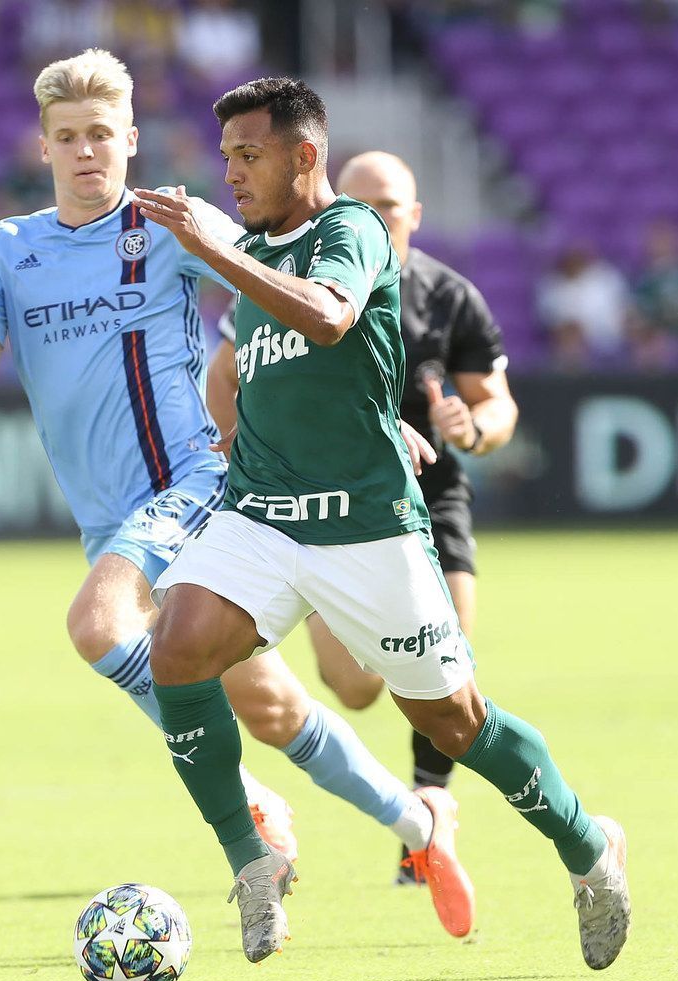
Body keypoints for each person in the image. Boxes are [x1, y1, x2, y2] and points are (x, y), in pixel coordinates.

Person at [0, 48, 473, 925]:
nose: (85, 151)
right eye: (67, 137)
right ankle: (419, 822)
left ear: (131, 139)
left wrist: (375, 414)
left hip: (189, 484)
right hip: (109, 518)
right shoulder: (7, 250)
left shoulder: (174, 226)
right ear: (43, 148)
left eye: (101, 133)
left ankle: (252, 811)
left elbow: (289, 303)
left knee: (97, 627)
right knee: (271, 706)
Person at [134, 76, 630, 969]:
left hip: (366, 526)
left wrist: (216, 246)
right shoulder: (250, 245)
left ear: (305, 155)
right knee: (176, 646)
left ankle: (588, 849)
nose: (234, 174)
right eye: (227, 159)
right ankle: (253, 862)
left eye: (250, 155)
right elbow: (245, 364)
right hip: (262, 514)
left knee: (453, 723)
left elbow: (327, 319)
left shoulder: (349, 229)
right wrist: (223, 425)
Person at [207, 149, 520, 884]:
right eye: (362, 203)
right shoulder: (292, 279)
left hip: (428, 496)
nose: (376, 217)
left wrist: (473, 429)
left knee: (451, 676)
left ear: (416, 215)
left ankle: (431, 814)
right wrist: (243, 451)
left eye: (391, 205)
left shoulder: (449, 295)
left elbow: (497, 404)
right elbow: (223, 376)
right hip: (325, 498)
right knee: (353, 686)